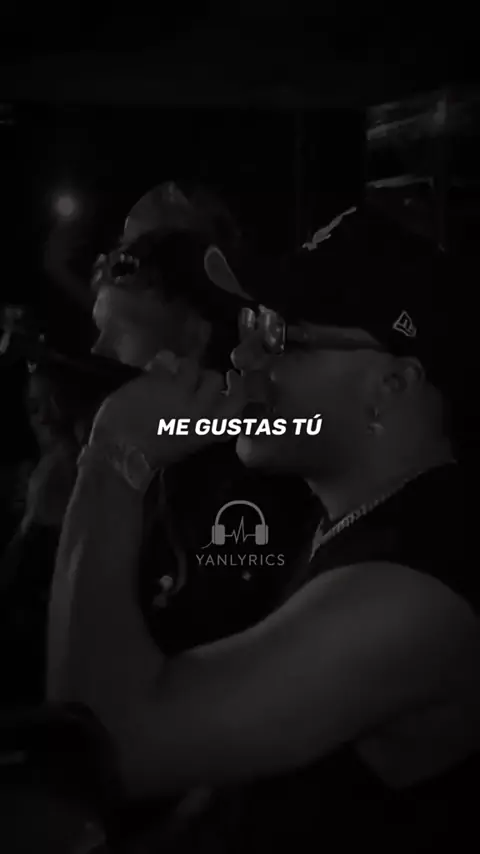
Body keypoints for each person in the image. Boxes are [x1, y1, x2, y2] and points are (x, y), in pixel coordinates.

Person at [47, 203, 479, 852]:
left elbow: (101, 749)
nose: (242, 352)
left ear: (392, 384)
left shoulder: (414, 590)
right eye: (253, 322)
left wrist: (115, 457)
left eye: (281, 335)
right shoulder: (353, 520)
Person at [85, 181, 315, 654]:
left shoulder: (245, 471)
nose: (98, 351)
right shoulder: (162, 457)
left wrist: (108, 458)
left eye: (118, 333)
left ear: (194, 335)